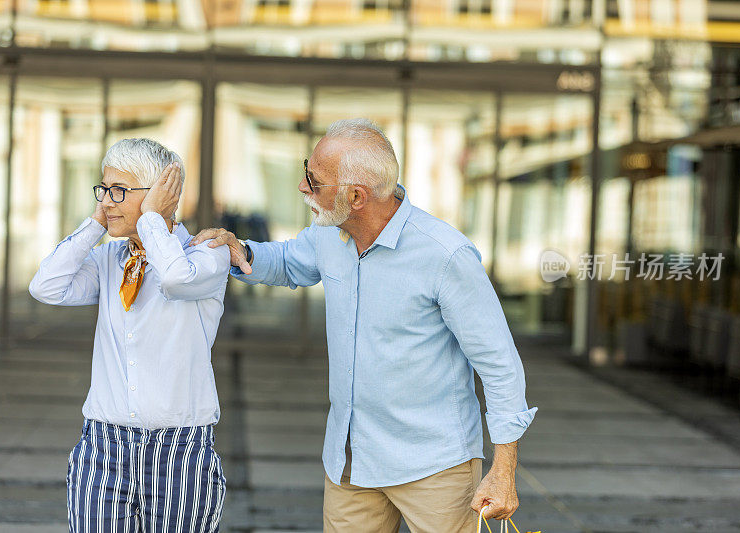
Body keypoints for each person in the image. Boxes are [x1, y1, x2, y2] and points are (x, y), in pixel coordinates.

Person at [191, 119, 537, 532]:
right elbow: (287, 262)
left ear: (355, 196)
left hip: (435, 467)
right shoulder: (328, 235)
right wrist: (238, 250)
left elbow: (500, 365)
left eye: (313, 181)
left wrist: (503, 470)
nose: (303, 187)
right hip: (350, 463)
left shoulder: (445, 255)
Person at [29, 138, 230, 533]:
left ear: (161, 195)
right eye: (103, 189)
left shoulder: (205, 254)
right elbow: (46, 287)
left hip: (180, 449)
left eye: (119, 191)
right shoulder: (109, 259)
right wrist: (96, 224)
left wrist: (153, 219)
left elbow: (174, 278)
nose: (107, 200)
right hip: (103, 445)